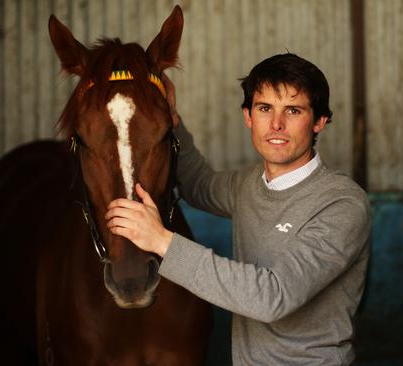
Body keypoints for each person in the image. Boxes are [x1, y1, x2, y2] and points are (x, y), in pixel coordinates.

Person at [106, 53, 371, 365]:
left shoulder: (342, 204)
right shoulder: (248, 185)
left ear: (319, 122)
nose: (276, 124)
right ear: (248, 116)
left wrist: (162, 242)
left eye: (293, 110)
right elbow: (197, 184)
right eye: (264, 108)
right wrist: (172, 120)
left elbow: (274, 297)